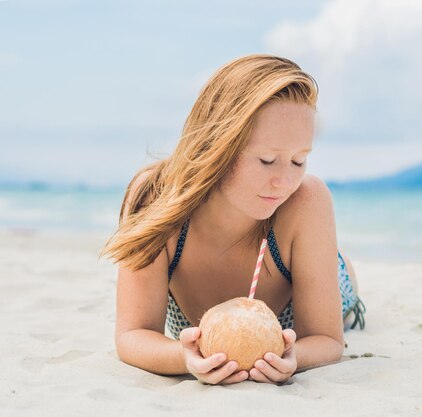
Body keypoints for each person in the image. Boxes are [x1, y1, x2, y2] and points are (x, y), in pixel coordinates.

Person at [100, 54, 366, 386]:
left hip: (320, 279)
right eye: (267, 160)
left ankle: (343, 266)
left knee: (345, 282)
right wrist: (183, 358)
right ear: (218, 146)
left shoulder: (305, 201)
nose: (284, 181)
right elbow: (133, 333)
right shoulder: (155, 198)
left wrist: (295, 356)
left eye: (299, 161)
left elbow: (327, 338)